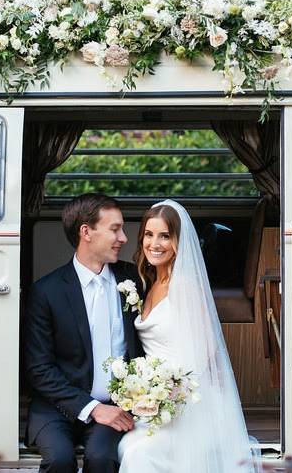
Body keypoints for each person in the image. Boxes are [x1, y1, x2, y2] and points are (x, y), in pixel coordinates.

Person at [118, 200, 259, 473]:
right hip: (155, 402)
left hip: (187, 402)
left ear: (178, 242)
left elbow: (206, 352)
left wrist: (170, 391)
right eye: (149, 234)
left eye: (165, 236)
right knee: (128, 446)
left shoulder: (184, 286)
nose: (155, 244)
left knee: (137, 453)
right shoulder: (147, 283)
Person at [24, 193, 145, 473]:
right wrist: (91, 408)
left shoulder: (133, 279)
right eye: (115, 229)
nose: (124, 238)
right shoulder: (46, 291)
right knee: (59, 460)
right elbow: (38, 368)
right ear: (86, 232)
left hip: (115, 406)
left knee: (102, 459)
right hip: (56, 407)